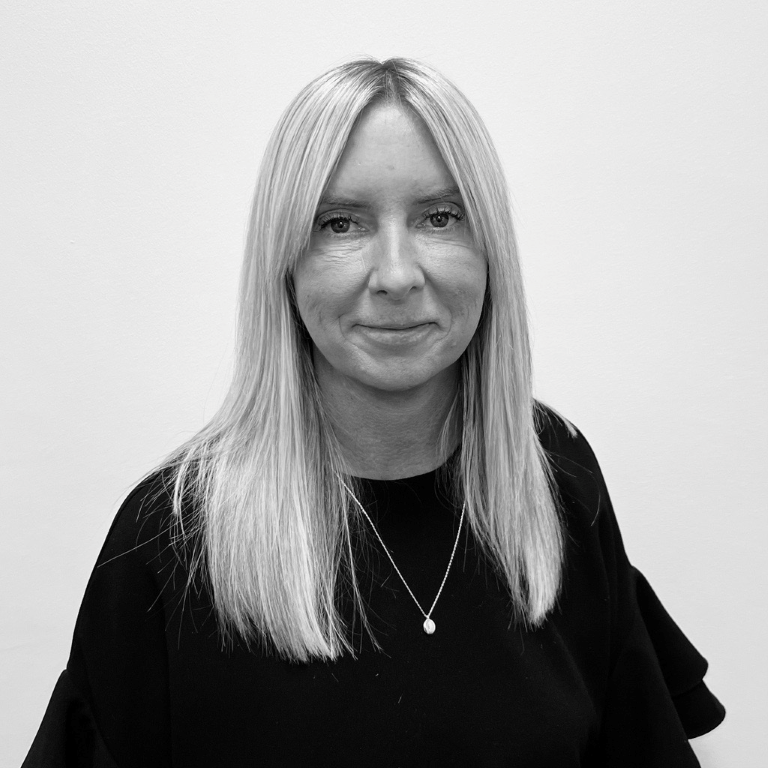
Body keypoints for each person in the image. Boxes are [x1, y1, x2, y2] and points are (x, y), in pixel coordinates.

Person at [23, 57, 724, 767]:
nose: (396, 275)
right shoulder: (168, 540)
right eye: (341, 223)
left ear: (491, 251)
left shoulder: (558, 484)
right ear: (285, 261)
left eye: (440, 217)